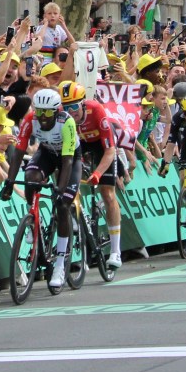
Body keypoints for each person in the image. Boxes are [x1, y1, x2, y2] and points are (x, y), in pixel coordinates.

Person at [0, 89, 81, 289]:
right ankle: (32, 217)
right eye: (39, 112)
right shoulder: (30, 119)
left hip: (69, 157)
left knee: (62, 205)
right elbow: (18, 153)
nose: (42, 117)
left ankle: (61, 264)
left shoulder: (66, 122)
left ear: (56, 110)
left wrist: (61, 188)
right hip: (47, 152)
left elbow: (68, 161)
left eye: (47, 113)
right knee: (31, 177)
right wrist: (9, 182)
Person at [60, 81, 123, 269]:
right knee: (67, 184)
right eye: (66, 107)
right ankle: (77, 221)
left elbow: (110, 150)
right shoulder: (63, 117)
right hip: (78, 145)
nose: (70, 111)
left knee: (107, 192)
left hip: (100, 145)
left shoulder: (95, 110)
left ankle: (115, 251)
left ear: (82, 103)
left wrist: (97, 173)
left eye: (74, 106)